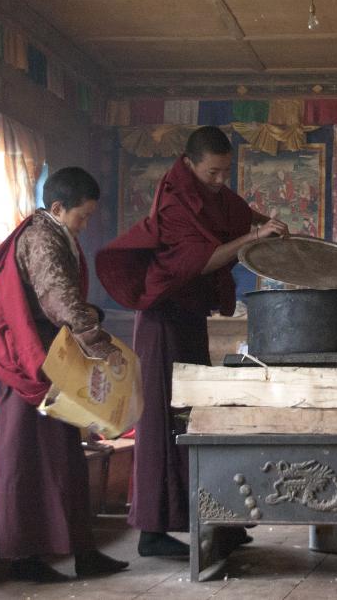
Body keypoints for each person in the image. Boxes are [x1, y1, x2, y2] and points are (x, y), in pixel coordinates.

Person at [97, 126, 288, 558]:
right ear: (188, 163)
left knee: (194, 419)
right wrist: (253, 238)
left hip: (188, 319)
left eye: (226, 172)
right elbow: (200, 261)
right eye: (213, 172)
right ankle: (151, 531)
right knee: (162, 424)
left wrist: (262, 221)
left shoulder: (209, 191)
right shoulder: (174, 200)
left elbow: (236, 210)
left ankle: (204, 517)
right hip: (162, 321)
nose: (220, 180)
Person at [0, 166, 129, 582]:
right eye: (82, 217)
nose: (84, 226)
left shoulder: (53, 232)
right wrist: (98, 343)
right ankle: (23, 557)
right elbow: (57, 298)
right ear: (58, 207)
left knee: (63, 460)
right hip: (27, 361)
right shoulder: (41, 237)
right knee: (25, 460)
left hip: (51, 358)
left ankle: (80, 551)